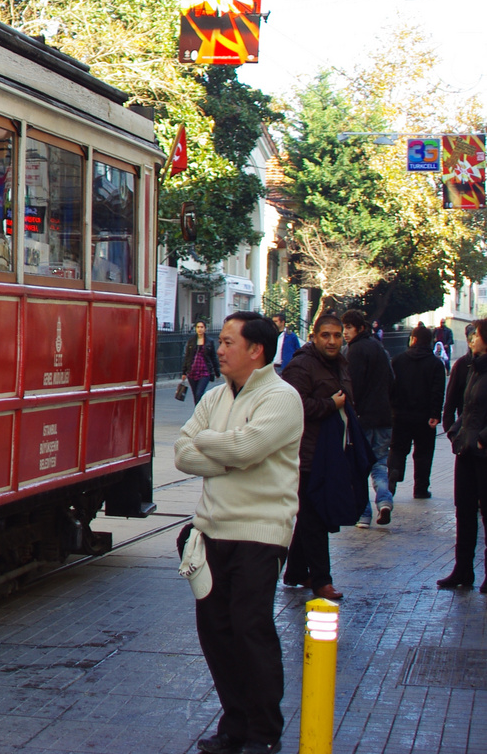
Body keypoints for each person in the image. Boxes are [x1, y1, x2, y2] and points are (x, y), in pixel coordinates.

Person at [174, 311, 303, 754]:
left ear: (256, 350)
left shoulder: (282, 397)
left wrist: (213, 442)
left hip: (260, 533)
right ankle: (235, 725)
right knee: (216, 633)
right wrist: (229, 456)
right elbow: (181, 452)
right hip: (211, 531)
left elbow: (248, 447)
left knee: (251, 630)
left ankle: (264, 732)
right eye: (221, 341)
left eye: (229, 342)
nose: (220, 349)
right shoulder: (214, 396)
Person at [279, 311, 353, 600]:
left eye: (337, 335)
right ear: (314, 337)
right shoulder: (302, 365)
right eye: (326, 335)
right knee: (315, 517)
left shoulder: (338, 363)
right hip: (306, 454)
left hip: (327, 451)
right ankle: (322, 580)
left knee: (311, 516)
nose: (332, 341)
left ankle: (297, 571)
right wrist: (329, 405)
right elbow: (293, 406)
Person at [438, 321, 487, 590]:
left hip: (482, 451)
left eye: (476, 336)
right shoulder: (472, 368)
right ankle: (463, 570)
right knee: (464, 511)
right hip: (466, 450)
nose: (472, 339)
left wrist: (482, 438)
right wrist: (456, 431)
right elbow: (465, 408)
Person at [342, 309, 395, 526]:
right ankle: (384, 501)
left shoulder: (354, 351)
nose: (345, 332)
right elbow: (391, 380)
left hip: (362, 418)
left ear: (360, 328)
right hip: (383, 417)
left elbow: (353, 386)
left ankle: (363, 514)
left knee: (359, 466)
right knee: (380, 463)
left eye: (348, 327)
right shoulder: (379, 347)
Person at [389, 323, 446, 500]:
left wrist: (391, 409)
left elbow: (390, 387)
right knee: (424, 453)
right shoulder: (436, 364)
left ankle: (394, 473)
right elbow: (438, 391)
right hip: (425, 417)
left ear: (413, 340)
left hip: (400, 415)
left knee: (397, 449)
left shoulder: (398, 361)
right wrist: (435, 414)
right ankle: (421, 488)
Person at [181, 320, 219, 404]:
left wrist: (217, 372)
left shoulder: (209, 341)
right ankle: (198, 410)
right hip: (192, 371)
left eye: (202, 327)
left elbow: (213, 357)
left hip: (204, 371)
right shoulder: (191, 341)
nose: (200, 329)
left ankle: (200, 409)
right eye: (198, 327)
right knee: (195, 395)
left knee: (199, 393)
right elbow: (187, 357)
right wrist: (184, 372)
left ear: (205, 329)